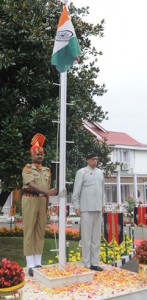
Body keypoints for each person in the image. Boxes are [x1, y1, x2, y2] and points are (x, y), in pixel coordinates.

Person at [22, 133, 57, 276]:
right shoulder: (28, 168)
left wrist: (47, 200)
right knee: (29, 230)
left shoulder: (47, 170)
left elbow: (46, 189)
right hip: (30, 199)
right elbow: (30, 184)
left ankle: (38, 261)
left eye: (41, 154)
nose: (40, 156)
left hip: (42, 201)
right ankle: (29, 263)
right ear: (32, 155)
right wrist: (48, 192)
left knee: (40, 231)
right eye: (37, 154)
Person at [72, 151, 104, 271]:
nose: (95, 161)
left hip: (97, 208)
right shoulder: (81, 172)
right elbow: (76, 191)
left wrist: (103, 204)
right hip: (86, 208)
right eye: (93, 159)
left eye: (96, 159)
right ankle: (86, 262)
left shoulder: (100, 173)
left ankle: (95, 262)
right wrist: (76, 206)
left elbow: (102, 191)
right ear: (87, 160)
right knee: (86, 237)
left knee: (96, 237)